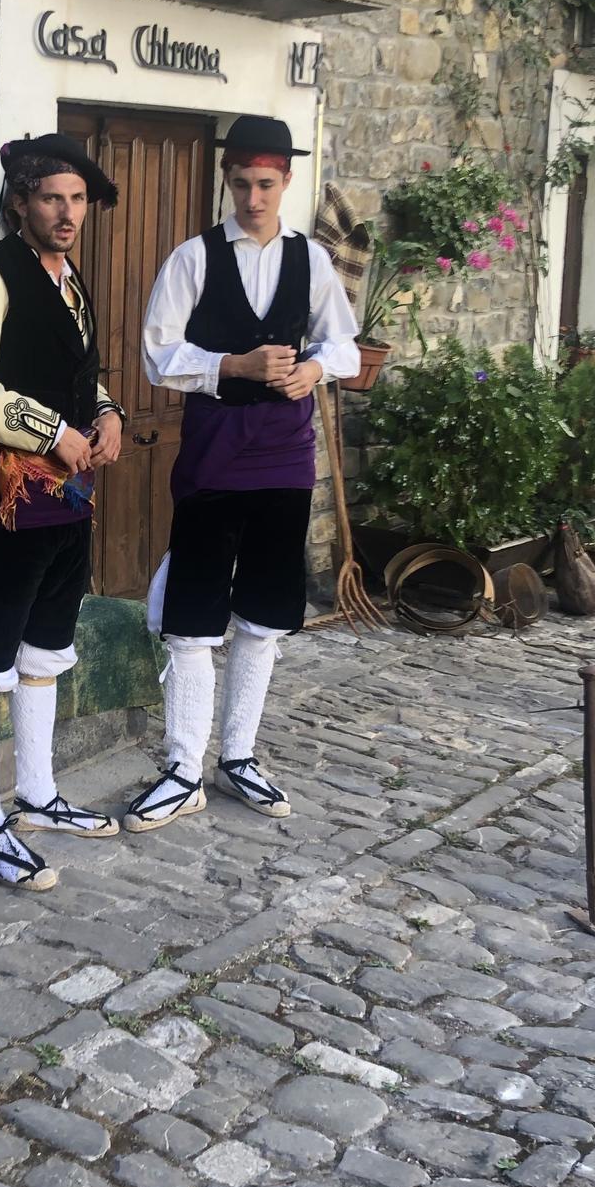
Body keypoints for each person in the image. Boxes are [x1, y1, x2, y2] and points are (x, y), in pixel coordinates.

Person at [122, 114, 360, 832]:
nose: (252, 197)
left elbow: (345, 346)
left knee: (263, 616)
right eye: (240, 183)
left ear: (285, 182)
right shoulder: (192, 259)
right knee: (193, 619)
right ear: (225, 182)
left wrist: (313, 368)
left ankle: (238, 756)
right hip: (215, 456)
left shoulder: (312, 263)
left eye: (265, 183)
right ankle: (181, 768)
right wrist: (232, 366)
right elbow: (157, 353)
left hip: (286, 459)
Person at [0, 135, 127, 888]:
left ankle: (40, 797)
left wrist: (105, 414)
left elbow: (83, 376)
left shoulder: (71, 278)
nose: (68, 212)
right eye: (53, 197)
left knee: (45, 649)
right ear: (21, 202)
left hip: (69, 501)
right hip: (12, 497)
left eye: (77, 199)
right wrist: (55, 432)